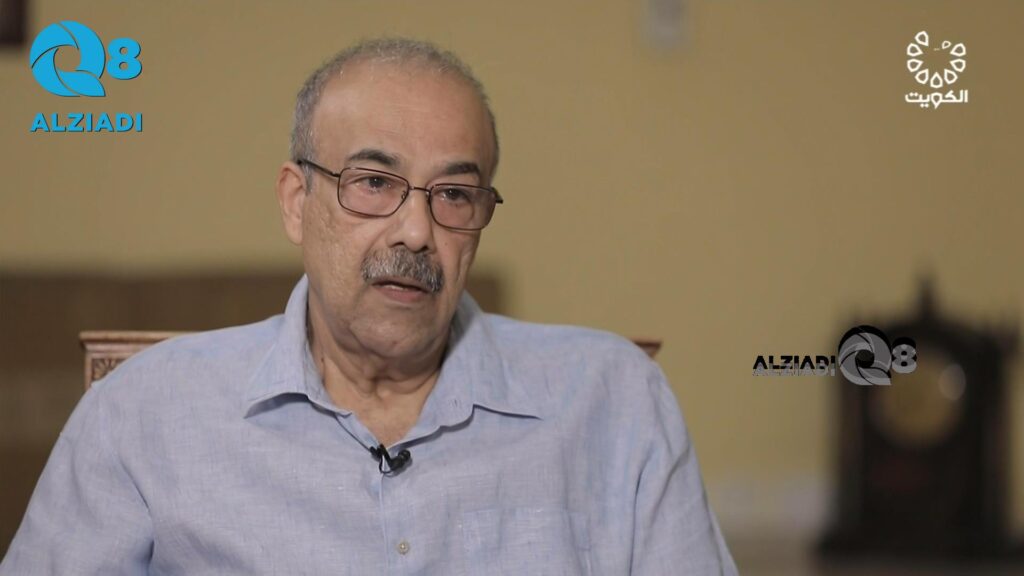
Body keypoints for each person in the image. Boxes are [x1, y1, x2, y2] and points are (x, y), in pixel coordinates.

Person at [1, 38, 737, 575]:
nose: (416, 231)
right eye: (374, 183)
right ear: (297, 203)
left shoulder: (615, 400)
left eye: (455, 194)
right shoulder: (143, 414)